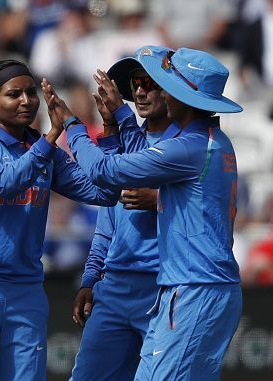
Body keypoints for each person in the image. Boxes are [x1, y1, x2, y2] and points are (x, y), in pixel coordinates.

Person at [42, 46, 243, 380]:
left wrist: (72, 125)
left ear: (180, 95)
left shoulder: (186, 146)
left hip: (193, 287)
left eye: (163, 84)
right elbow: (128, 178)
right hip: (194, 285)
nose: (154, 91)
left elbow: (105, 170)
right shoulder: (210, 140)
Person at [0, 59, 121, 381]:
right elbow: (4, 183)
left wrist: (106, 133)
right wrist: (50, 139)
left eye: (31, 93)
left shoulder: (42, 148)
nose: (26, 101)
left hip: (25, 290)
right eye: (14, 94)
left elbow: (103, 193)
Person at [70, 46, 173, 381]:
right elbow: (107, 221)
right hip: (114, 287)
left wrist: (120, 120)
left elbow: (151, 166)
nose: (139, 90)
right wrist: (90, 277)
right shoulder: (127, 138)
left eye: (149, 82)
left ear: (171, 88)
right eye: (136, 84)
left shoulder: (185, 141)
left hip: (163, 288)